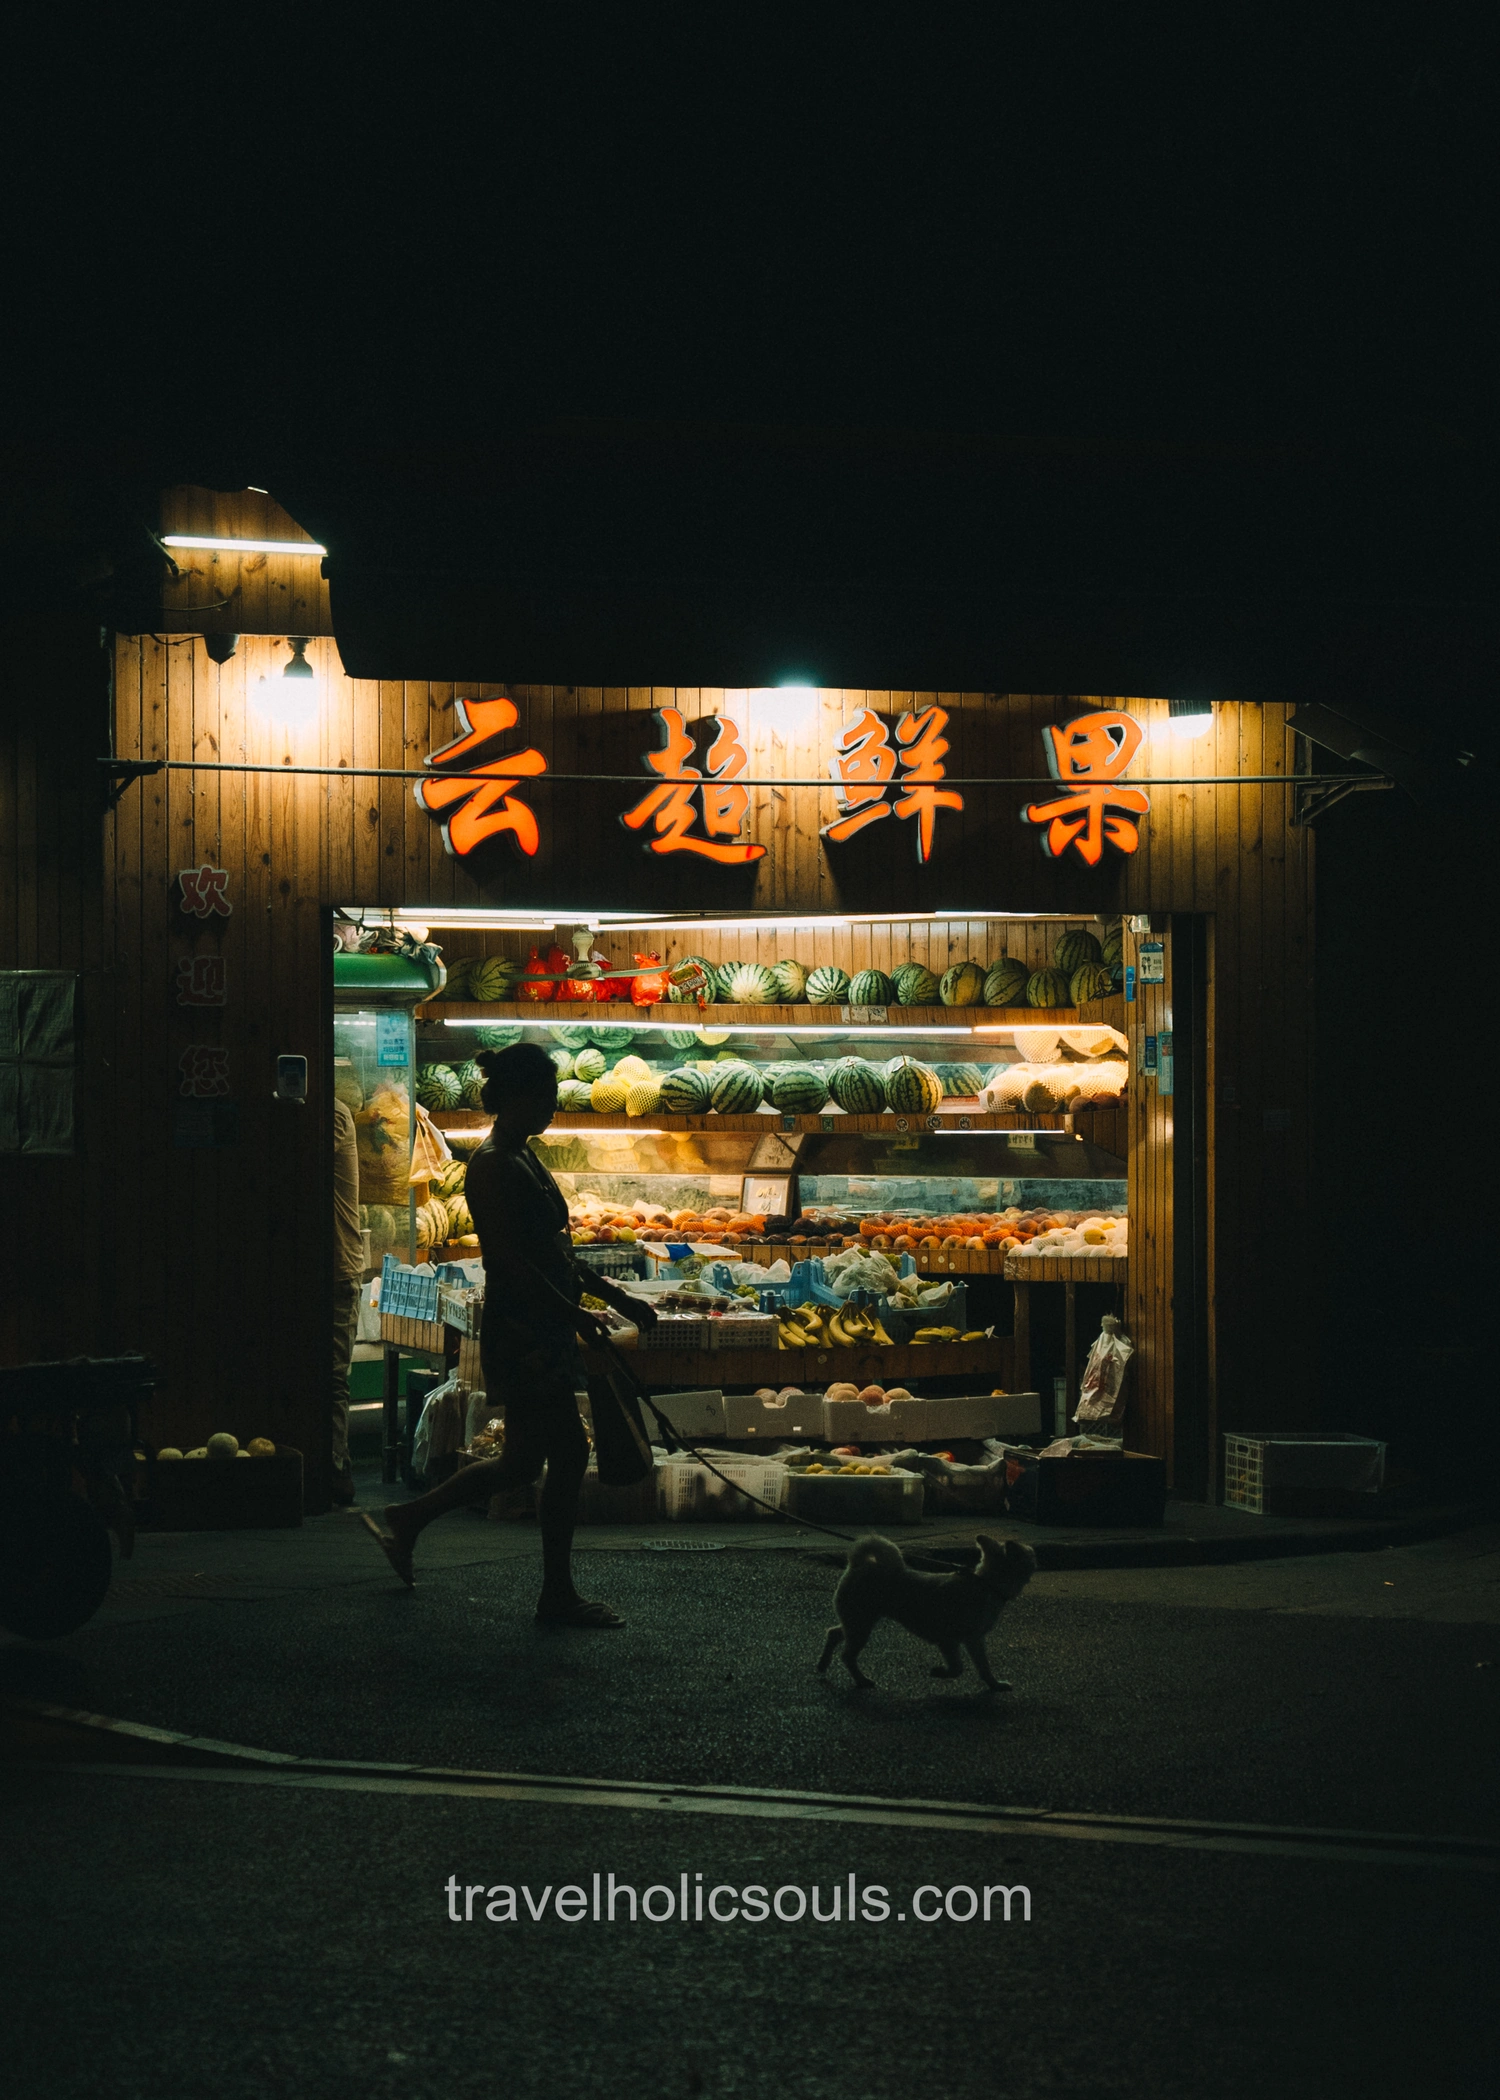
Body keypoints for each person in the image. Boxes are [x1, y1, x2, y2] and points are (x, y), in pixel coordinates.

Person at [361, 1042, 656, 1627]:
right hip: (522, 1330)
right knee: (566, 1452)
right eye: (545, 1096)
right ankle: (556, 1594)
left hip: (539, 1324)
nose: (552, 1107)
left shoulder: (521, 1155)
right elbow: (511, 1262)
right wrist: (575, 1315)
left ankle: (407, 1520)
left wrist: (617, 1297)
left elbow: (556, 1253)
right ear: (518, 1097)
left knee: (523, 1461)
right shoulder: (493, 1163)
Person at [331, 1093, 366, 1506]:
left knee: (332, 1375)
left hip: (337, 1267)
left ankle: (336, 1466)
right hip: (327, 1267)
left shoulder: (333, 1115)